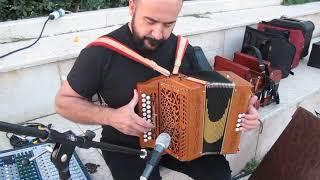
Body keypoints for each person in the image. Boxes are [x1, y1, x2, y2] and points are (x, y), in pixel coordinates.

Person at [55, 0, 260, 179]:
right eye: (150, 21)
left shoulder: (183, 49)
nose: (158, 34)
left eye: (169, 24)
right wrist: (110, 117)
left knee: (219, 174)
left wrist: (243, 108)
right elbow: (64, 102)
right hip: (125, 146)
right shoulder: (100, 53)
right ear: (132, 6)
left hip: (183, 141)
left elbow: (209, 90)